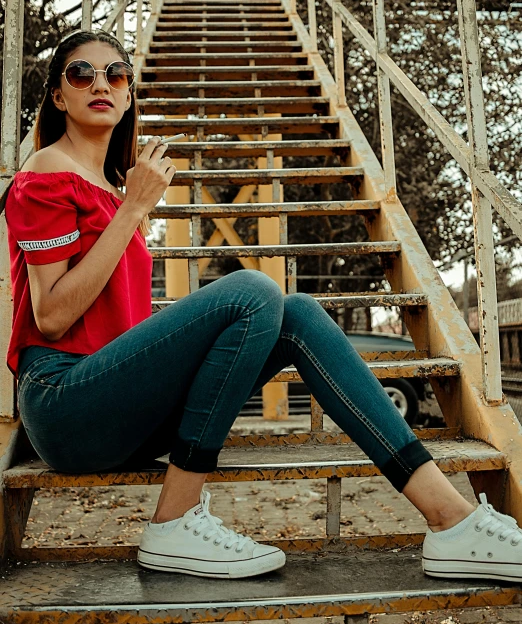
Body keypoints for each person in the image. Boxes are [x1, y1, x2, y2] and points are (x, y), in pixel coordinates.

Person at [5, 29, 522, 583]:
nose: (100, 84)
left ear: (131, 93)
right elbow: (53, 316)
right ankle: (174, 521)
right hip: (66, 406)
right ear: (58, 95)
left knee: (295, 312)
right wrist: (134, 210)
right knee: (252, 291)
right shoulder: (44, 177)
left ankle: (452, 521)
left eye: (116, 74)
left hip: (121, 407)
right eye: (81, 73)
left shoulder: (113, 184)